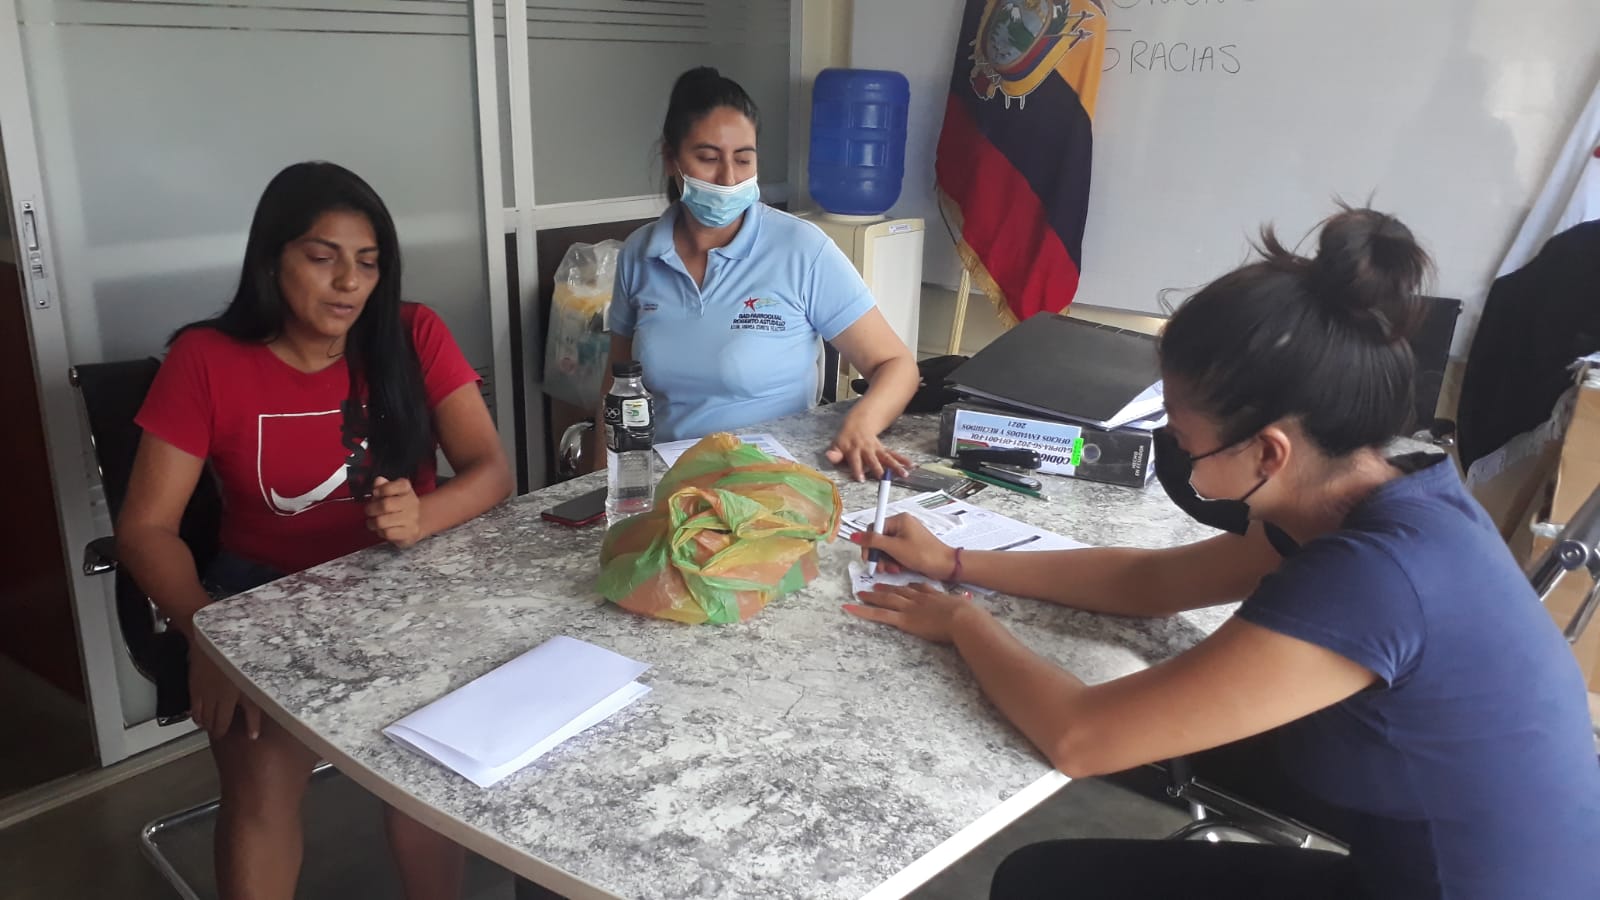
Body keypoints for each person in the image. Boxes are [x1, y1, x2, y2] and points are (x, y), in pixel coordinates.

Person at [847, 207, 1600, 899]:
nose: (1172, 449)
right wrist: (956, 562)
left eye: (1181, 435)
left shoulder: (1373, 576)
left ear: (1269, 452)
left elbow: (1082, 739)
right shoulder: (1373, 486)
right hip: (1420, 854)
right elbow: (1152, 580)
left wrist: (963, 622)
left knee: (1040, 882)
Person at [117, 162, 514, 900]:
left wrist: (423, 515)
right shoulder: (206, 360)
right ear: (272, 260)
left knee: (427, 770)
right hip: (266, 598)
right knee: (262, 793)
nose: (348, 283)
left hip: (406, 583)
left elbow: (491, 470)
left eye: (368, 262)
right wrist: (210, 636)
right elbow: (145, 527)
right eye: (321, 257)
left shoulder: (412, 333)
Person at [603, 66, 919, 481]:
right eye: (708, 158)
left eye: (743, 159)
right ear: (670, 159)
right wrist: (600, 482)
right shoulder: (640, 254)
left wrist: (861, 424)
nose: (728, 178)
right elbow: (616, 385)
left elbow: (896, 364)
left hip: (773, 482)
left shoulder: (800, 249)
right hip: (669, 483)